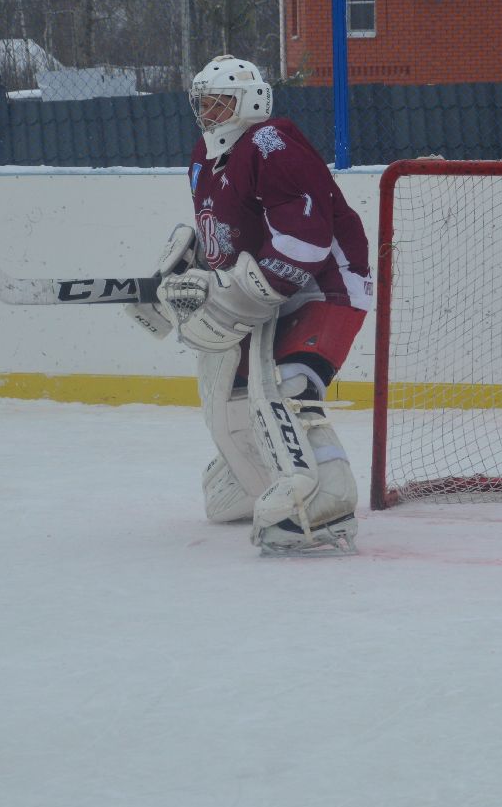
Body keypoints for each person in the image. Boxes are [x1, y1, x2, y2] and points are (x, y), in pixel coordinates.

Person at [126, 55, 372, 555]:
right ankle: (259, 474)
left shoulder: (270, 142)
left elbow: (306, 240)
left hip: (326, 284)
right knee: (228, 395)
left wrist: (232, 292)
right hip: (265, 286)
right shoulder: (203, 156)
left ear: (251, 101)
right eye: (203, 102)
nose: (208, 112)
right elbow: (227, 239)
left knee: (292, 385)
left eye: (219, 101)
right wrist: (185, 273)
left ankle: (329, 498)